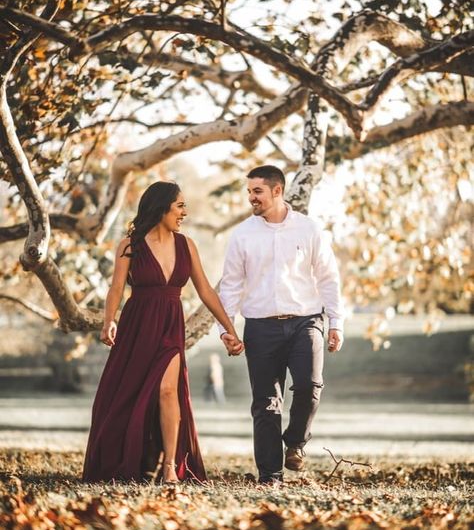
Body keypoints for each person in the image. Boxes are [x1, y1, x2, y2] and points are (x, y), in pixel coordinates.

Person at [83, 181, 243, 484]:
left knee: (169, 390)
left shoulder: (186, 245)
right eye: (179, 205)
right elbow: (116, 287)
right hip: (137, 326)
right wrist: (108, 321)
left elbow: (206, 291)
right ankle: (132, 458)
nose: (185, 212)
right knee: (128, 394)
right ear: (161, 207)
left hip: (171, 324)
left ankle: (170, 465)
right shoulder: (131, 245)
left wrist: (230, 329)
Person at [218, 165, 344, 485]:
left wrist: (336, 322)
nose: (251, 198)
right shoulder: (243, 234)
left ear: (277, 191)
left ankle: (296, 442)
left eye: (257, 191)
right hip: (261, 326)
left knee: (309, 386)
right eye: (249, 192)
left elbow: (329, 277)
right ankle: (270, 474)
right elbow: (231, 286)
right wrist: (226, 329)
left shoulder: (309, 229)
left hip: (306, 321)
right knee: (266, 403)